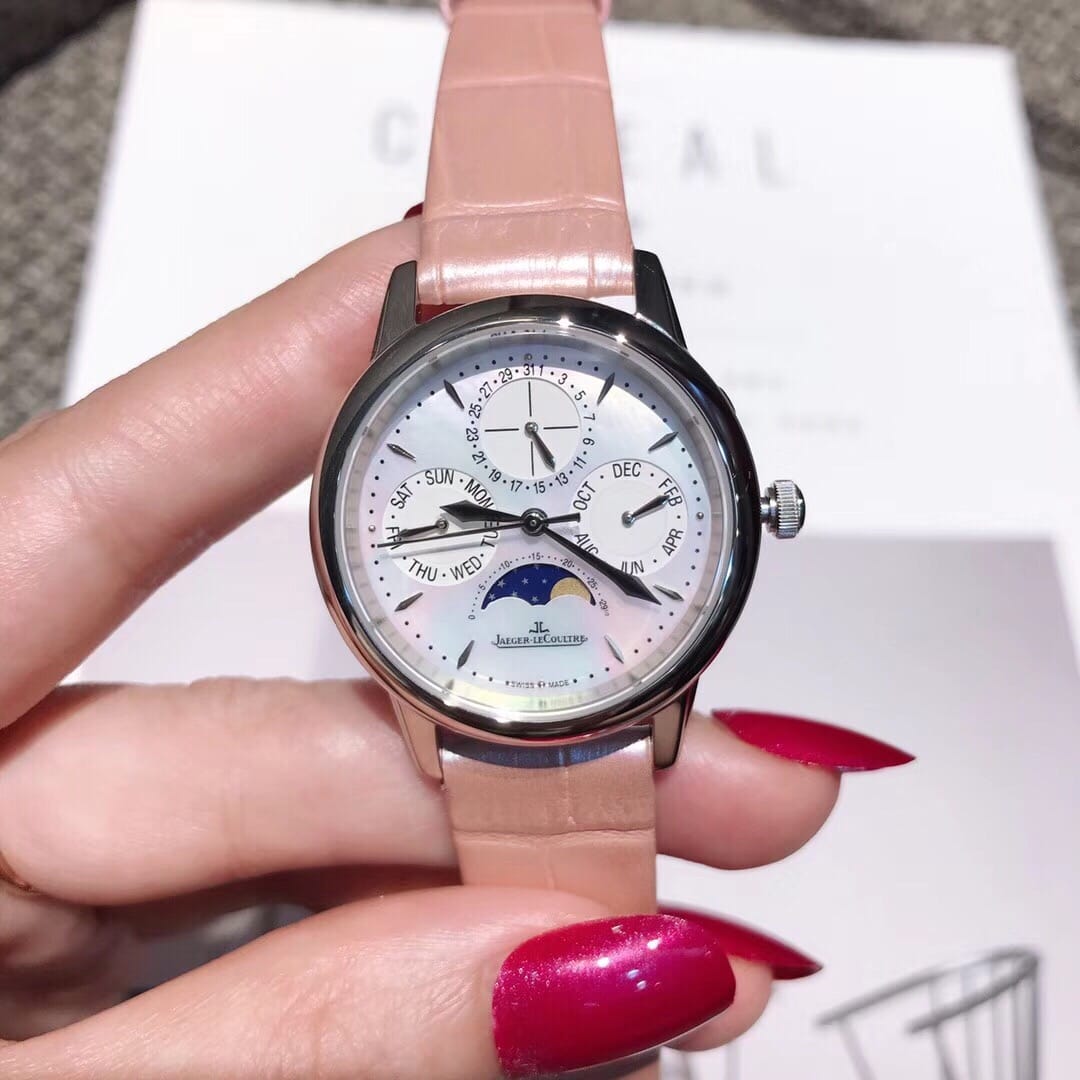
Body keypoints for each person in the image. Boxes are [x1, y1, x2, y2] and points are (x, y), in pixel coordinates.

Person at [0, 218, 912, 1078]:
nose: (533, 522)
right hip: (475, 690)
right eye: (515, 519)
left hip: (582, 682)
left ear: (751, 510)